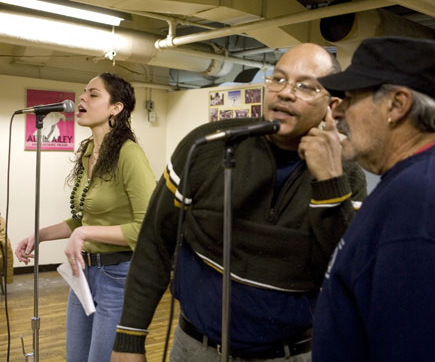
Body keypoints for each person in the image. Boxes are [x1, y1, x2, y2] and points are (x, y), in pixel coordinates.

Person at [111, 43, 367, 362]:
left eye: (305, 86)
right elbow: (155, 243)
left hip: (291, 355)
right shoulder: (207, 146)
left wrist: (329, 181)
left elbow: (343, 274)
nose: (286, 92)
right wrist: (129, 339)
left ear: (333, 104)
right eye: (278, 79)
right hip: (196, 348)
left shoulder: (346, 175)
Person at [312, 36, 435, 361]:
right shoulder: (428, 178)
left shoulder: (423, 205)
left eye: (350, 98)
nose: (339, 111)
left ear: (396, 105)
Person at [15, 72, 157, 362]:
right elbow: (82, 220)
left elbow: (147, 227)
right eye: (83, 92)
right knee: (76, 358)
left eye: (93, 94)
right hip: (84, 274)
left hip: (118, 277)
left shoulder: (129, 155)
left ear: (115, 108)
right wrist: (39, 235)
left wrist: (84, 234)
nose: (82, 98)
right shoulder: (90, 152)